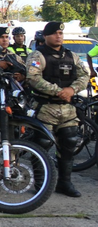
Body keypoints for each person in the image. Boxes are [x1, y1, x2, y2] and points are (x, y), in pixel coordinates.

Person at [26, 22, 90, 197]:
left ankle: (65, 183)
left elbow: (85, 75)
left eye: (61, 33)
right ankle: (41, 183)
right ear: (46, 36)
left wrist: (72, 90)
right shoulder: (37, 55)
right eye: (55, 33)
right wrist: (58, 91)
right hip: (45, 108)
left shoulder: (71, 56)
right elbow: (33, 78)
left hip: (68, 109)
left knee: (69, 143)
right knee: (42, 144)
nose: (58, 36)